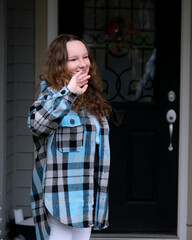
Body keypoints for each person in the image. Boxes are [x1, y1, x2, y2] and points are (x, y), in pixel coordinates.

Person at [28, 34, 112, 240]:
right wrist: (69, 92)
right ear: (59, 64)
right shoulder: (52, 95)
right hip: (60, 196)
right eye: (74, 59)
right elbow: (36, 125)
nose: (83, 64)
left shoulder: (90, 98)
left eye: (85, 57)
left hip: (86, 193)